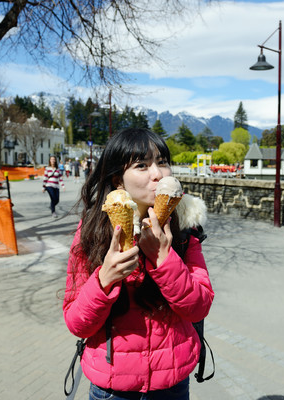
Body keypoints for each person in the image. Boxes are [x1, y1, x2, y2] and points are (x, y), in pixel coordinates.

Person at [63, 128, 214, 400]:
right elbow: (77, 324)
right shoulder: (92, 233)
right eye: (142, 165)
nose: (158, 174)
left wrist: (164, 260)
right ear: (118, 180)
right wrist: (104, 280)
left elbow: (198, 308)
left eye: (162, 162)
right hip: (112, 387)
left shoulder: (184, 230)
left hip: (172, 385)